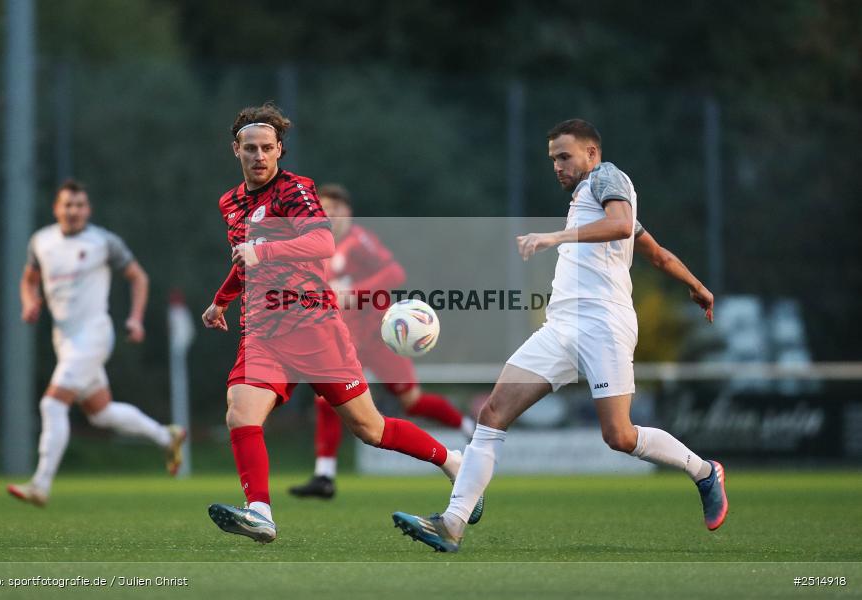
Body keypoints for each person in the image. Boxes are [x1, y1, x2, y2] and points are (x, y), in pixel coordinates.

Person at [392, 119, 727, 552]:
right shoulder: (587, 202)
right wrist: (697, 285)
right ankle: (452, 523)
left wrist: (555, 236)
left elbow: (623, 225)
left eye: (565, 156)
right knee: (493, 413)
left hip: (603, 325)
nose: (557, 165)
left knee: (619, 437)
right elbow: (656, 253)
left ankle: (704, 471)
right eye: (552, 158)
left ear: (591, 153)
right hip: (561, 327)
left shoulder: (608, 178)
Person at [202, 103, 480, 545]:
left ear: (279, 151)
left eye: (267, 148)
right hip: (262, 332)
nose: (259, 156)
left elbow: (322, 241)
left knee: (370, 429)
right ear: (235, 149)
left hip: (314, 326)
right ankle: (260, 513)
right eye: (250, 148)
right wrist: (221, 302)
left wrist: (265, 252)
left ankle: (455, 463)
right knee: (240, 412)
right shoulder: (230, 202)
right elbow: (245, 259)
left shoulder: (295, 191)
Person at [288, 184, 475, 499]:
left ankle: (468, 429)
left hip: (380, 337)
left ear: (347, 212)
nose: (328, 215)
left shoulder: (358, 241)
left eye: (334, 208)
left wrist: (354, 293)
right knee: (326, 401)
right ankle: (324, 475)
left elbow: (394, 273)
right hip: (344, 339)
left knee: (412, 402)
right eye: (323, 209)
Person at [8, 180, 186, 507]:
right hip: (64, 340)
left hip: (93, 335)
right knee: (101, 414)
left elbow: (138, 277)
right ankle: (167, 435)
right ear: (56, 208)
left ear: (87, 209)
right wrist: (28, 301)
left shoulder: (103, 242)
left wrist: (135, 317)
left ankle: (40, 484)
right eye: (67, 205)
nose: (73, 211)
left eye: (79, 205)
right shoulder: (41, 241)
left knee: (52, 404)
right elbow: (29, 278)